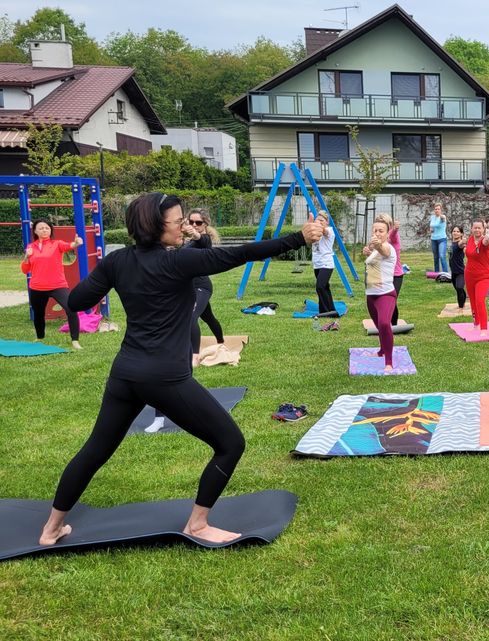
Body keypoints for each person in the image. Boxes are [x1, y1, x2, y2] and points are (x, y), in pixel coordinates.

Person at [38, 193, 323, 546]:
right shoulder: (178, 263)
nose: (184, 226)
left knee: (95, 450)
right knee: (230, 443)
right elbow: (240, 253)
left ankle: (51, 529)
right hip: (164, 378)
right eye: (178, 221)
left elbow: (78, 301)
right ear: (157, 227)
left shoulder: (118, 261)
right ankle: (198, 525)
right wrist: (299, 238)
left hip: (125, 375)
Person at [21, 219, 83, 350]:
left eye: (47, 228)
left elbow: (68, 246)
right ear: (36, 231)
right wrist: (26, 257)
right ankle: (39, 337)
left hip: (58, 285)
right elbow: (25, 270)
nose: (44, 230)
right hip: (37, 287)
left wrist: (76, 243)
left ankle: (75, 341)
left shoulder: (57, 244)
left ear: (50, 230)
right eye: (41, 228)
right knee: (38, 313)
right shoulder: (31, 247)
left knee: (71, 309)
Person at [185, 209, 227, 365]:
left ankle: (194, 357)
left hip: (202, 287)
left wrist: (195, 234)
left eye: (198, 222)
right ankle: (221, 341)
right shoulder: (187, 241)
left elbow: (201, 240)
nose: (194, 225)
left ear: (205, 224)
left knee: (190, 317)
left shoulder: (205, 239)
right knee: (208, 317)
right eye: (191, 222)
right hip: (189, 287)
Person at [362, 219, 398, 369]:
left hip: (385, 295)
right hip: (371, 296)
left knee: (384, 324)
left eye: (380, 231)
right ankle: (382, 351)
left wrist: (376, 245)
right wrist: (368, 253)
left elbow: (383, 251)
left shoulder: (388, 248)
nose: (377, 233)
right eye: (375, 230)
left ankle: (389, 362)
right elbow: (375, 262)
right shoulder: (375, 250)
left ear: (387, 233)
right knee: (379, 327)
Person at [465, 219, 489, 334]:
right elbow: (467, 252)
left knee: (480, 301)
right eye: (475, 228)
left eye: (479, 228)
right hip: (469, 275)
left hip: (483, 276)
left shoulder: (484, 241)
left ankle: (484, 328)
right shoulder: (470, 239)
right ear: (472, 229)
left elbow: (486, 242)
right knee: (472, 301)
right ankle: (476, 323)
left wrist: (487, 236)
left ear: (483, 229)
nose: (477, 230)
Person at [311, 211, 336, 321]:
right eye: (318, 220)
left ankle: (326, 312)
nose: (320, 222)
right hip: (317, 264)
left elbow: (325, 232)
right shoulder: (314, 232)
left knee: (320, 286)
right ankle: (330, 309)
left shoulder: (329, 230)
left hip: (327, 263)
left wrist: (318, 224)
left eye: (322, 220)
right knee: (325, 287)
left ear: (327, 222)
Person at [381, 214, 403, 326]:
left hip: (396, 275)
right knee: (384, 300)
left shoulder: (392, 236)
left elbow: (393, 234)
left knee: (392, 300)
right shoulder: (380, 236)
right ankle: (386, 322)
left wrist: (395, 228)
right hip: (385, 274)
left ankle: (393, 324)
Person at [448, 225, 467, 310]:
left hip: (461, 272)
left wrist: (464, 240)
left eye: (458, 231)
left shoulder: (459, 243)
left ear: (461, 234)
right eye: (454, 231)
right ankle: (464, 298)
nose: (455, 233)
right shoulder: (452, 243)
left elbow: (462, 243)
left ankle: (461, 307)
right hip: (454, 272)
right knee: (458, 289)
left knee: (459, 288)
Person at [429, 202, 447, 274]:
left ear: (441, 210)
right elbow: (432, 226)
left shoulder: (442, 217)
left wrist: (442, 217)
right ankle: (436, 273)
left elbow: (441, 220)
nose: (437, 210)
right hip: (433, 239)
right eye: (435, 209)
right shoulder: (432, 217)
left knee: (442, 256)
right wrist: (431, 229)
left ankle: (445, 273)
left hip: (442, 239)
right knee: (436, 257)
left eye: (438, 209)